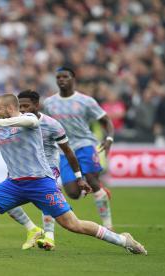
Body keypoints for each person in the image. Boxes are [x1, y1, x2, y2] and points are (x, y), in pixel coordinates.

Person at [0, 93, 146, 255]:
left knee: (72, 225)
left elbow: (20, 120)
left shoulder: (30, 120)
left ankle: (123, 240)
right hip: (14, 184)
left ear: (8, 108)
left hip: (41, 183)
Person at [0, 90, 86, 251]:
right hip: (23, 169)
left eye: (26, 106)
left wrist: (79, 177)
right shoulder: (14, 122)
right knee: (1, 202)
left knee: (46, 198)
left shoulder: (52, 125)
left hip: (48, 167)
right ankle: (32, 229)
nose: (23, 110)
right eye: (20, 106)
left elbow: (68, 151)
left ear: (37, 105)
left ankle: (49, 236)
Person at [44, 67, 115, 230]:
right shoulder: (49, 103)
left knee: (92, 179)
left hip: (85, 144)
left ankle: (108, 225)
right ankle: (93, 188)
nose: (61, 80)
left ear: (73, 79)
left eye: (65, 77)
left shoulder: (86, 101)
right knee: (73, 193)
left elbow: (105, 120)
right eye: (58, 77)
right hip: (64, 150)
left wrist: (109, 138)